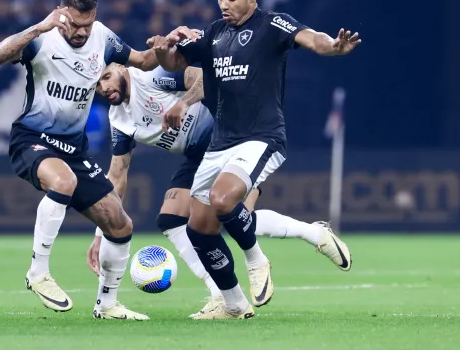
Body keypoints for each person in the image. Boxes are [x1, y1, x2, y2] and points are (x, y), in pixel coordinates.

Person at [149, 0, 361, 320]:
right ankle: (233, 305)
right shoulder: (214, 33)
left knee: (222, 200)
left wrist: (333, 47)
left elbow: (312, 38)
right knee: (199, 230)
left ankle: (256, 260)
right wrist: (161, 49)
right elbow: (174, 61)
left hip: (262, 137)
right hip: (220, 143)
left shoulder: (271, 25)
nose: (224, 4)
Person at [86, 62, 356, 318]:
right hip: (197, 155)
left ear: (120, 67)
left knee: (228, 218)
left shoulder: (150, 75)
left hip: (227, 137)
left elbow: (202, 77)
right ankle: (220, 294)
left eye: (106, 77)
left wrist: (184, 102)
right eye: (97, 85)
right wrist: (103, 231)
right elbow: (117, 176)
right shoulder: (119, 120)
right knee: (172, 219)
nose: (104, 88)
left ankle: (312, 234)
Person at [0, 0, 159, 320]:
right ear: (62, 11)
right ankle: (38, 272)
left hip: (73, 150)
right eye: (75, 23)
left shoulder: (103, 37)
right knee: (62, 182)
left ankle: (108, 304)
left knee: (120, 224)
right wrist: (39, 25)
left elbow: (142, 60)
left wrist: (169, 43)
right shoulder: (43, 38)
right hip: (32, 139)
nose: (82, 31)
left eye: (88, 23)